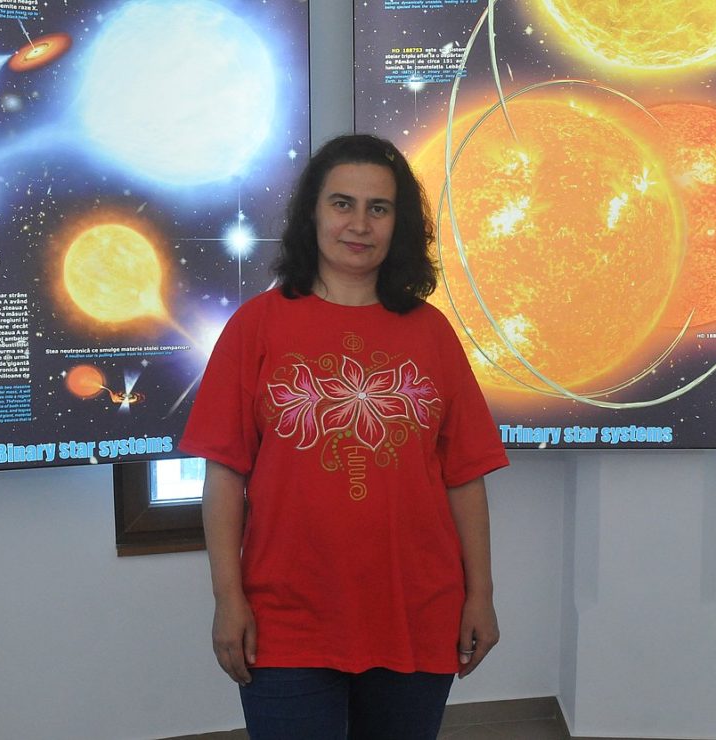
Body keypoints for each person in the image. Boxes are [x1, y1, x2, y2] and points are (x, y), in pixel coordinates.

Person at [179, 133, 509, 739]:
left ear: (398, 224)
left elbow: (464, 475)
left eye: (378, 208)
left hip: (416, 610)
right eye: (342, 204)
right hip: (288, 617)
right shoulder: (256, 326)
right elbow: (224, 475)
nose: (359, 224)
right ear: (312, 214)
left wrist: (480, 595)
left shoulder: (432, 333)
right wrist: (228, 598)